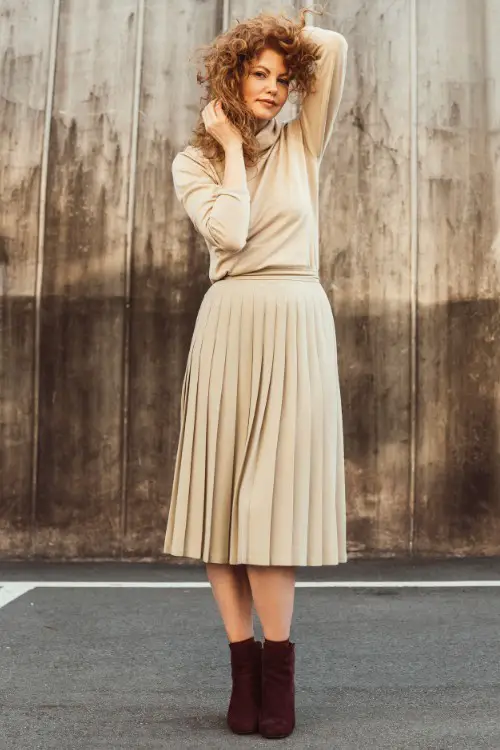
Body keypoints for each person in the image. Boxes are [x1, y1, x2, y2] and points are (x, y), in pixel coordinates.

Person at [164, 4, 348, 740]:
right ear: (230, 76)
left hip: (297, 319)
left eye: (283, 76)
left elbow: (331, 48)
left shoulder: (305, 139)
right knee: (221, 507)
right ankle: (242, 668)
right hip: (231, 322)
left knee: (270, 514)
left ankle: (280, 671)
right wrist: (231, 149)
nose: (273, 87)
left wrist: (292, 31)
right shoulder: (194, 161)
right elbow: (231, 232)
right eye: (258, 73)